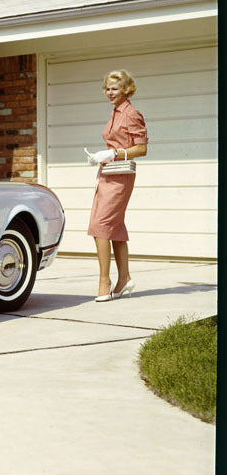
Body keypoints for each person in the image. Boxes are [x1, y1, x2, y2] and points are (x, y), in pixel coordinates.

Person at [84, 69, 147, 302]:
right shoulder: (115, 113)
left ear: (127, 89)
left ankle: (104, 281)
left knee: (100, 225)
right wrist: (102, 157)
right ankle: (124, 278)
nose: (110, 92)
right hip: (108, 174)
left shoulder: (131, 113)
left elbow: (141, 148)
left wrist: (113, 153)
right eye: (108, 88)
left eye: (115, 88)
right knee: (114, 227)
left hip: (120, 176)